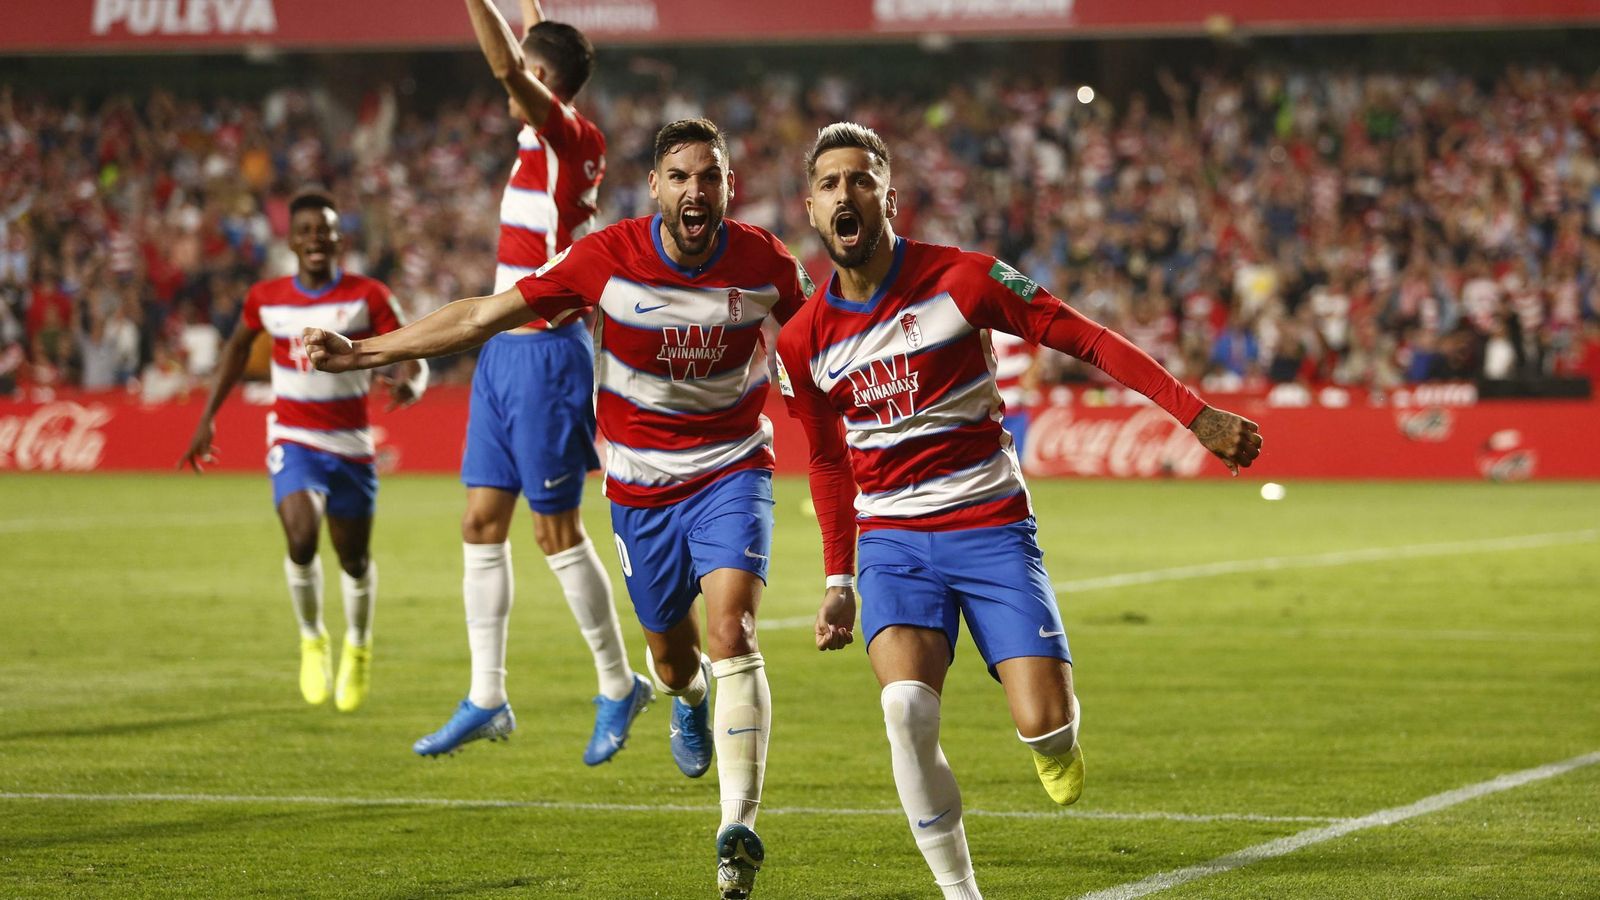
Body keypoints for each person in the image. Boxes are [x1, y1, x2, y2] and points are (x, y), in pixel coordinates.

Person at [304, 118, 811, 900]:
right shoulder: (605, 259)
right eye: (680, 176)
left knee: (733, 628)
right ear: (655, 188)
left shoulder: (766, 261)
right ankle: (687, 698)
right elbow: (479, 316)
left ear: (728, 186)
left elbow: (814, 340)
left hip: (731, 471)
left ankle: (735, 832)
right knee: (677, 660)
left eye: (710, 176)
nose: (696, 190)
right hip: (641, 491)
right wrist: (366, 351)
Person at [774, 123, 1261, 900]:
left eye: (860, 179)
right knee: (904, 710)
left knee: (1046, 725)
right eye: (830, 184)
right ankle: (960, 893)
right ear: (810, 206)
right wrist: (839, 574)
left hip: (990, 527)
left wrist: (1194, 414)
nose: (846, 195)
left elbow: (1086, 338)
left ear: (887, 195)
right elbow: (828, 460)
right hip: (894, 541)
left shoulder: (962, 280)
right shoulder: (801, 341)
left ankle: (1056, 737)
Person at [410, 0, 651, 767]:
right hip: (500, 352)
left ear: (548, 84)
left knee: (555, 531)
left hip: (547, 351)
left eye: (527, 79)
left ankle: (619, 684)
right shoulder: (538, 135)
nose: (511, 89)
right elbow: (530, 47)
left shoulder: (570, 136)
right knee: (481, 522)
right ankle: (488, 697)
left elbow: (510, 65)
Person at [180, 190, 428, 713]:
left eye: (326, 230)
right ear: (291, 241)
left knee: (354, 559)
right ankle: (313, 639)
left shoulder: (368, 295)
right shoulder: (266, 297)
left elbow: (415, 346)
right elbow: (235, 350)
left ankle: (357, 646)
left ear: (340, 239)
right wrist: (207, 419)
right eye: (307, 230)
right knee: (300, 537)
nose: (316, 238)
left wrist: (416, 382)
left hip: (351, 446)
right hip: (293, 438)